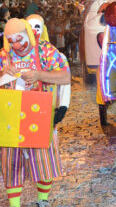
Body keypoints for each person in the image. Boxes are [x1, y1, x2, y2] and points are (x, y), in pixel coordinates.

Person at [0, 18, 71, 207]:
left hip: (41, 114)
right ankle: (14, 205)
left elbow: (65, 76)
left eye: (19, 39)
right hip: (11, 115)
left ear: (28, 34)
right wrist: (2, 74)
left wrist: (40, 74)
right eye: (11, 40)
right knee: (11, 161)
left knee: (43, 161)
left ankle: (42, 200)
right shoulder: (3, 55)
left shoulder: (45, 50)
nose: (16, 45)